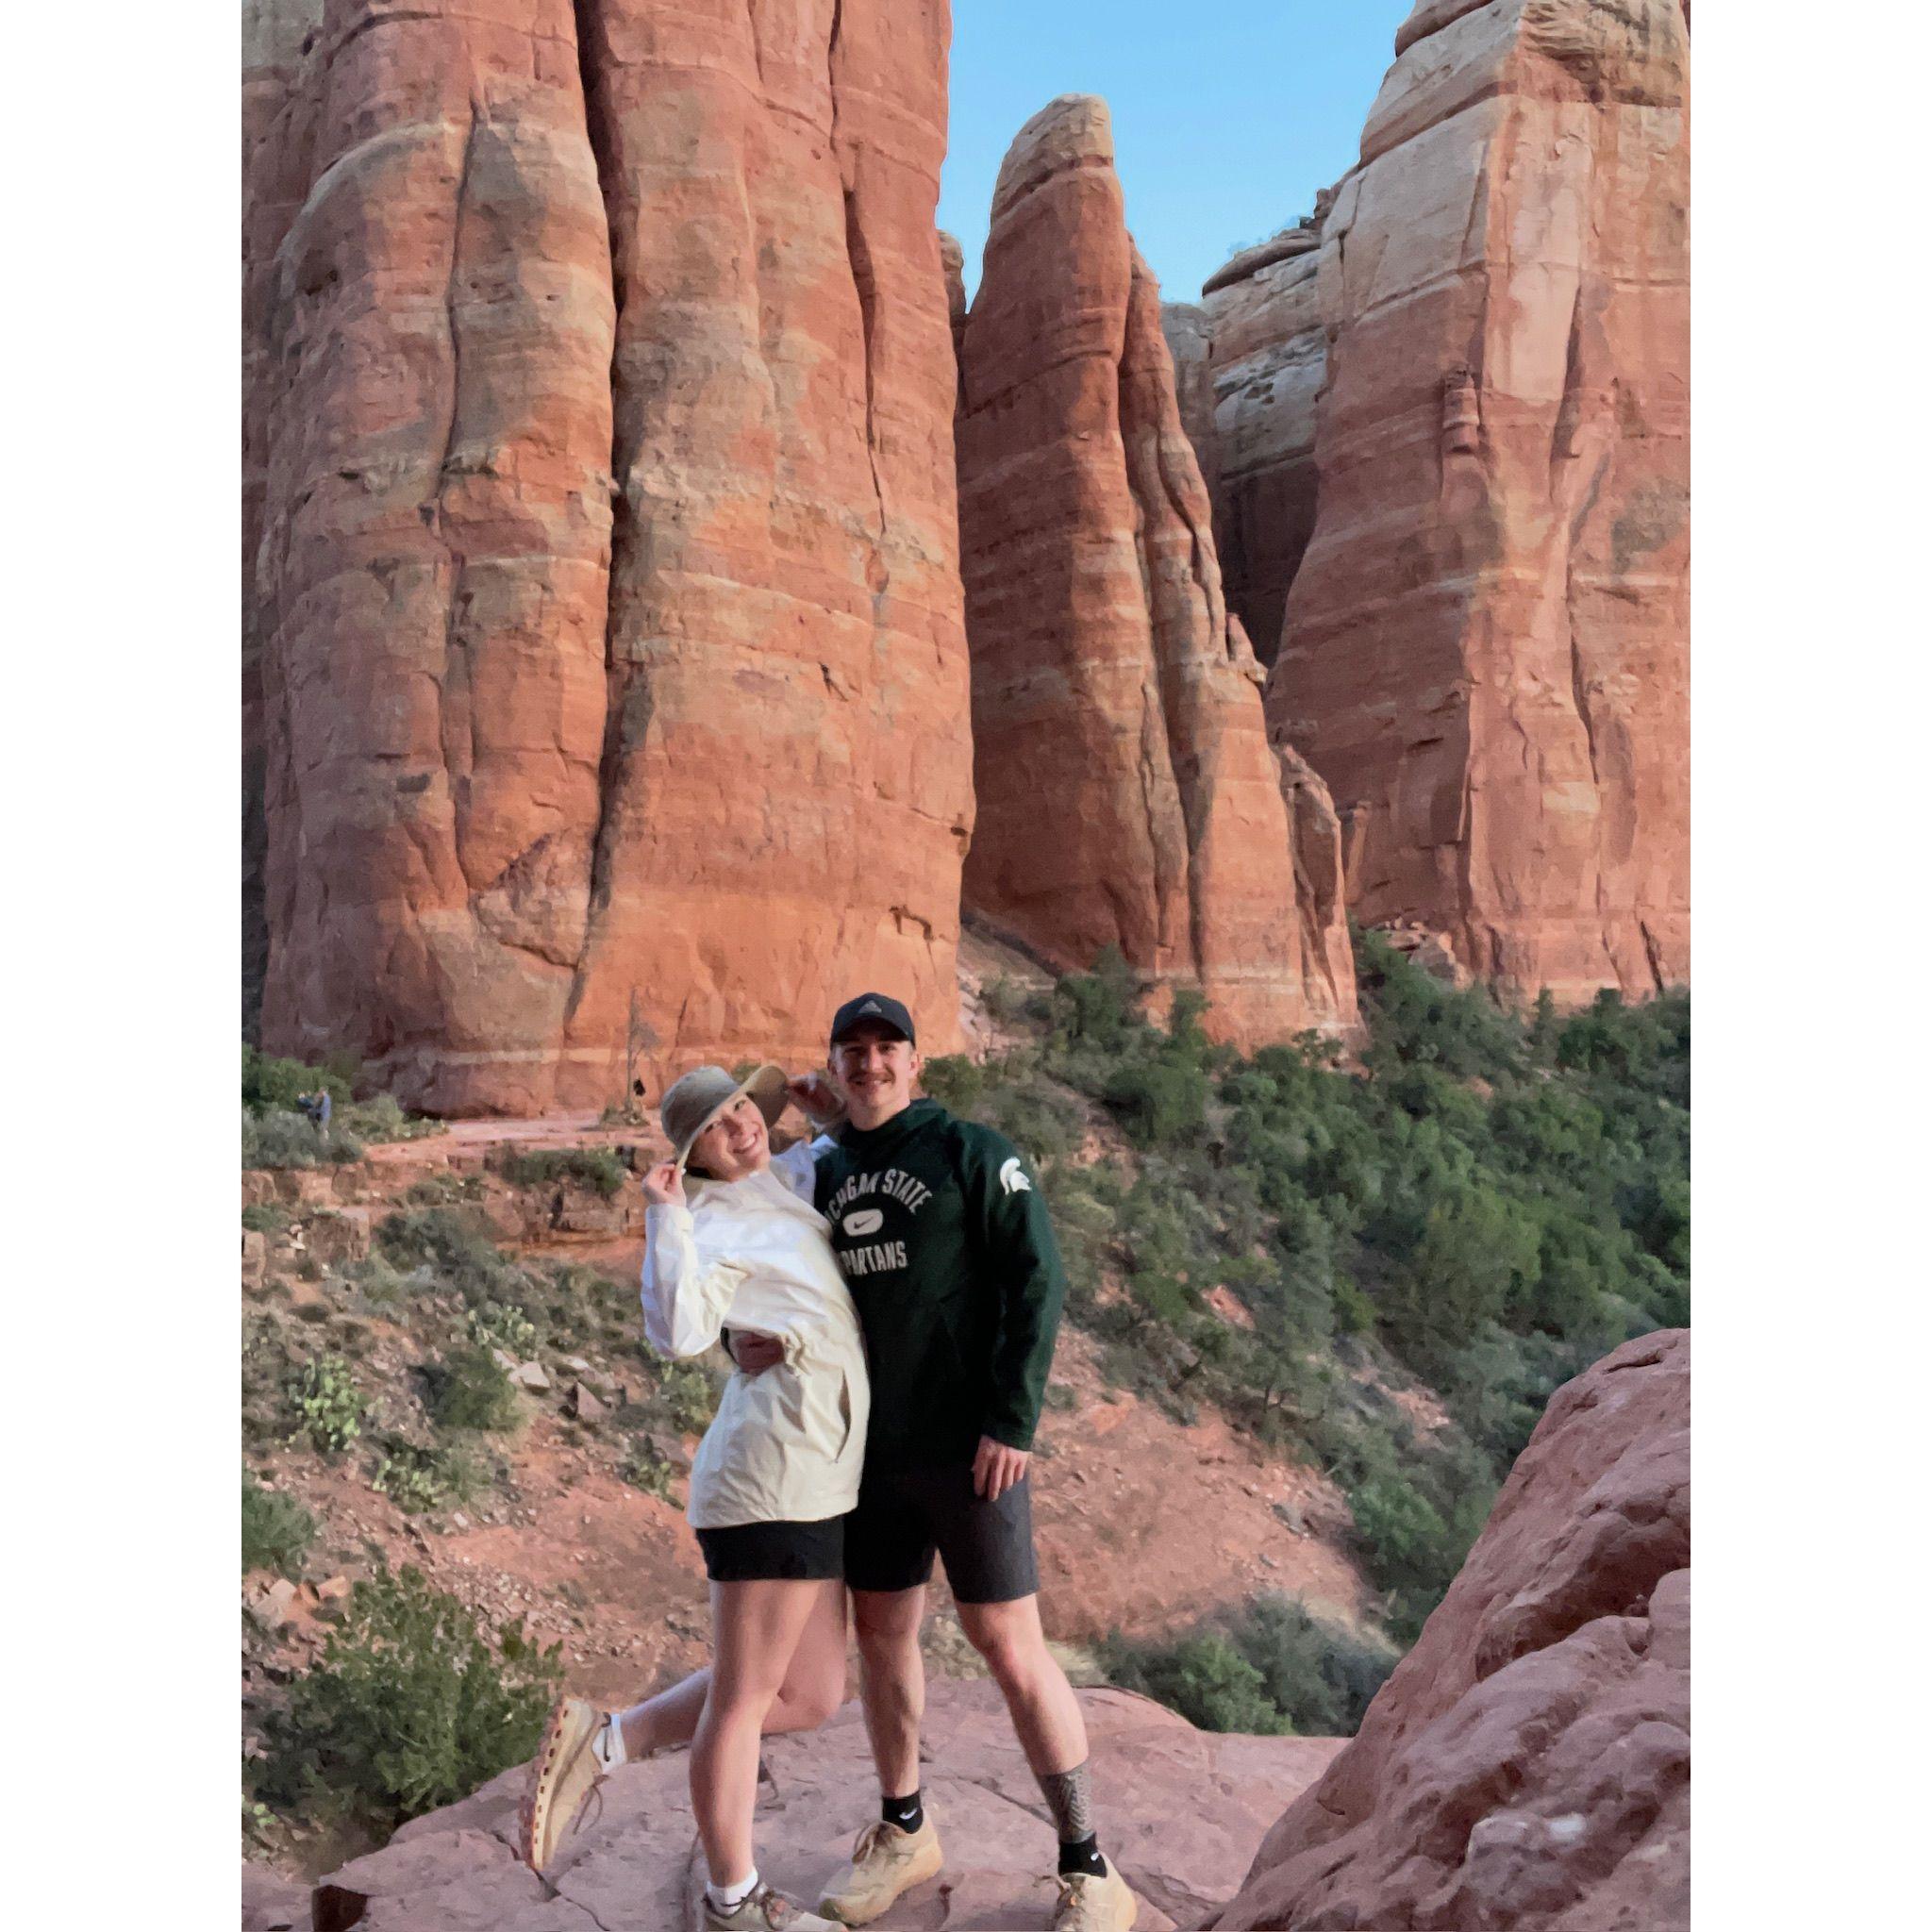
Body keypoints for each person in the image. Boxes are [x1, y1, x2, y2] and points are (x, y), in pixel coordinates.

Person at [731, 993, 1138, 1932]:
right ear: (832, 1063)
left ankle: (1088, 1863)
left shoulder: (971, 1150)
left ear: (918, 1064)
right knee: (882, 1637)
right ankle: (903, 1823)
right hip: (865, 1451)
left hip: (970, 1448)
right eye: (852, 1049)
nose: (869, 1062)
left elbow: (1037, 1277)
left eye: (886, 1048)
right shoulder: (820, 1171)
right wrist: (737, 1339)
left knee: (1007, 1646)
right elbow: (754, 1257)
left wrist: (1012, 1418)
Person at [521, 1063, 865, 1932]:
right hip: (768, 1477)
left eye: (743, 1106)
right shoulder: (702, 1218)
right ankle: (733, 1901)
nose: (740, 1124)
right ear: (695, 1156)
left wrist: (834, 1115)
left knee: (812, 1693)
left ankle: (608, 1739)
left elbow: (852, 1148)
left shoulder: (790, 1178)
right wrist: (665, 1211)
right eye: (715, 1125)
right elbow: (677, 1331)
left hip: (824, 1472)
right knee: (746, 1696)